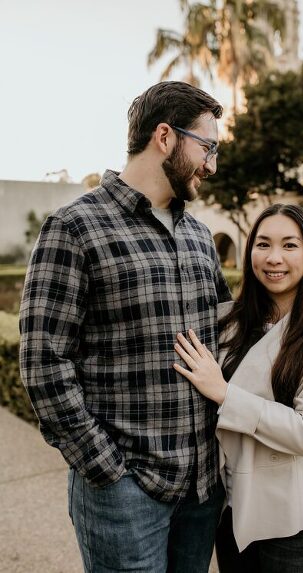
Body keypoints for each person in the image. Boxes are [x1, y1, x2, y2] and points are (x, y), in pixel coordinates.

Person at [19, 81, 231, 572]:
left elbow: (227, 334)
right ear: (165, 136)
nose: (212, 165)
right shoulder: (75, 227)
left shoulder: (199, 235)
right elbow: (44, 363)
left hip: (202, 489)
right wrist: (106, 470)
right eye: (208, 147)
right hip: (124, 497)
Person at [172, 203, 303, 572]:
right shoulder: (226, 319)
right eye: (263, 244)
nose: (274, 258)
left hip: (298, 525)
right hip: (232, 514)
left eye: (289, 245)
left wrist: (225, 393)